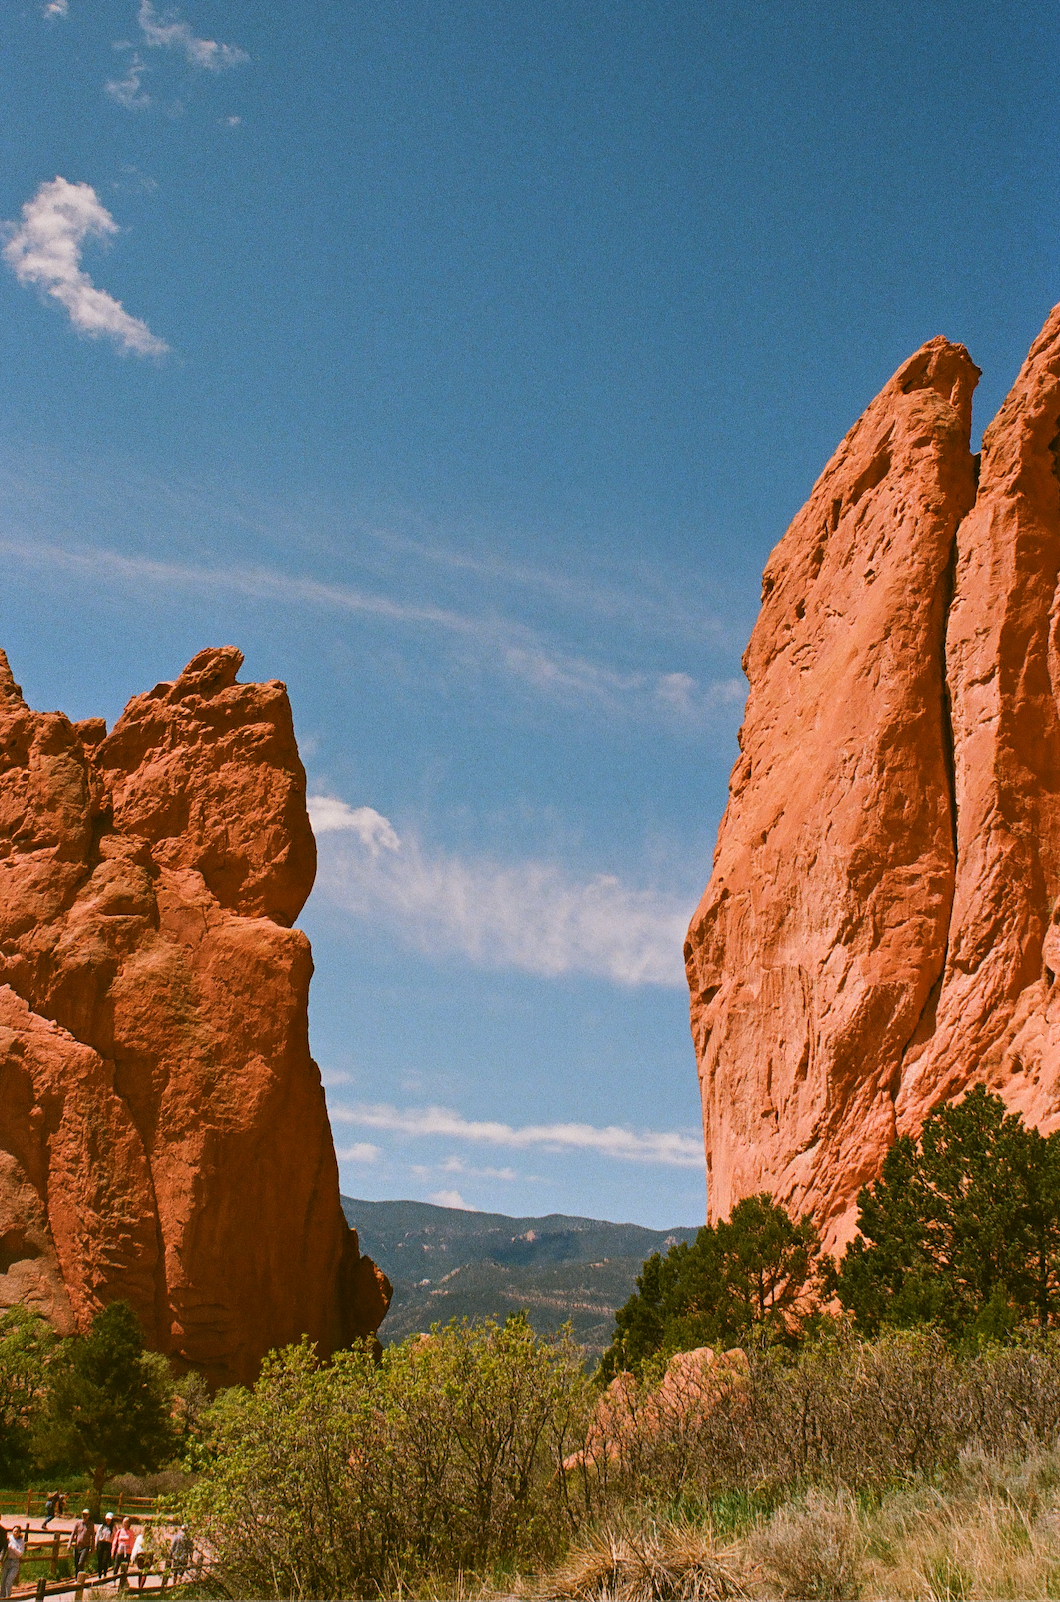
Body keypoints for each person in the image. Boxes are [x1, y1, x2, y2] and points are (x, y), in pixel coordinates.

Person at [1, 1524, 26, 1599]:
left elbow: (20, 1553)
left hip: (15, 1562)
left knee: (9, 1581)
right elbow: (4, 1547)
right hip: (7, 1561)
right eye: (14, 1531)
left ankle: (8, 1597)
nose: (15, 1533)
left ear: (19, 1533)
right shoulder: (9, 1539)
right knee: (3, 1580)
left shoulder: (21, 1542)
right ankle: (2, 1596)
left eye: (17, 1532)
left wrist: (13, 1548)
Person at [68, 1509, 95, 1576]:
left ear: (88, 1516)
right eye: (83, 1514)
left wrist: (92, 1547)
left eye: (86, 1515)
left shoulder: (91, 1525)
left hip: (85, 1547)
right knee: (76, 1563)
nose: (84, 1516)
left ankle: (80, 1577)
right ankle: (77, 1577)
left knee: (81, 1563)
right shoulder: (78, 1523)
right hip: (77, 1546)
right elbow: (73, 1534)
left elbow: (93, 1537)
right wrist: (69, 1544)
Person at [96, 1512, 116, 1579]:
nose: (108, 1521)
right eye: (107, 1519)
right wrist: (96, 1544)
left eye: (109, 1519)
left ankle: (104, 1573)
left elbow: (115, 1537)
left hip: (108, 1544)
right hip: (101, 1543)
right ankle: (99, 1575)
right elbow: (97, 1535)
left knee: (105, 1560)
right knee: (100, 1559)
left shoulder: (113, 1528)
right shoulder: (102, 1526)